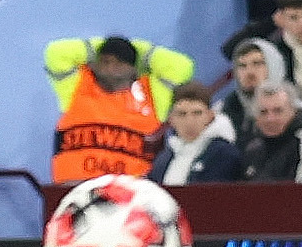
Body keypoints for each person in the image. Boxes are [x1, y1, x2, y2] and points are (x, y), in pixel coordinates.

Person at [41, 32, 193, 183]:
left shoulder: (151, 92)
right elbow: (56, 53)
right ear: (96, 63)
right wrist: (103, 46)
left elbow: (181, 66)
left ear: (134, 68)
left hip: (133, 195)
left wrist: (136, 51)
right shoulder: (77, 85)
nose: (111, 66)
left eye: (120, 61)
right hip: (75, 191)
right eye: (105, 61)